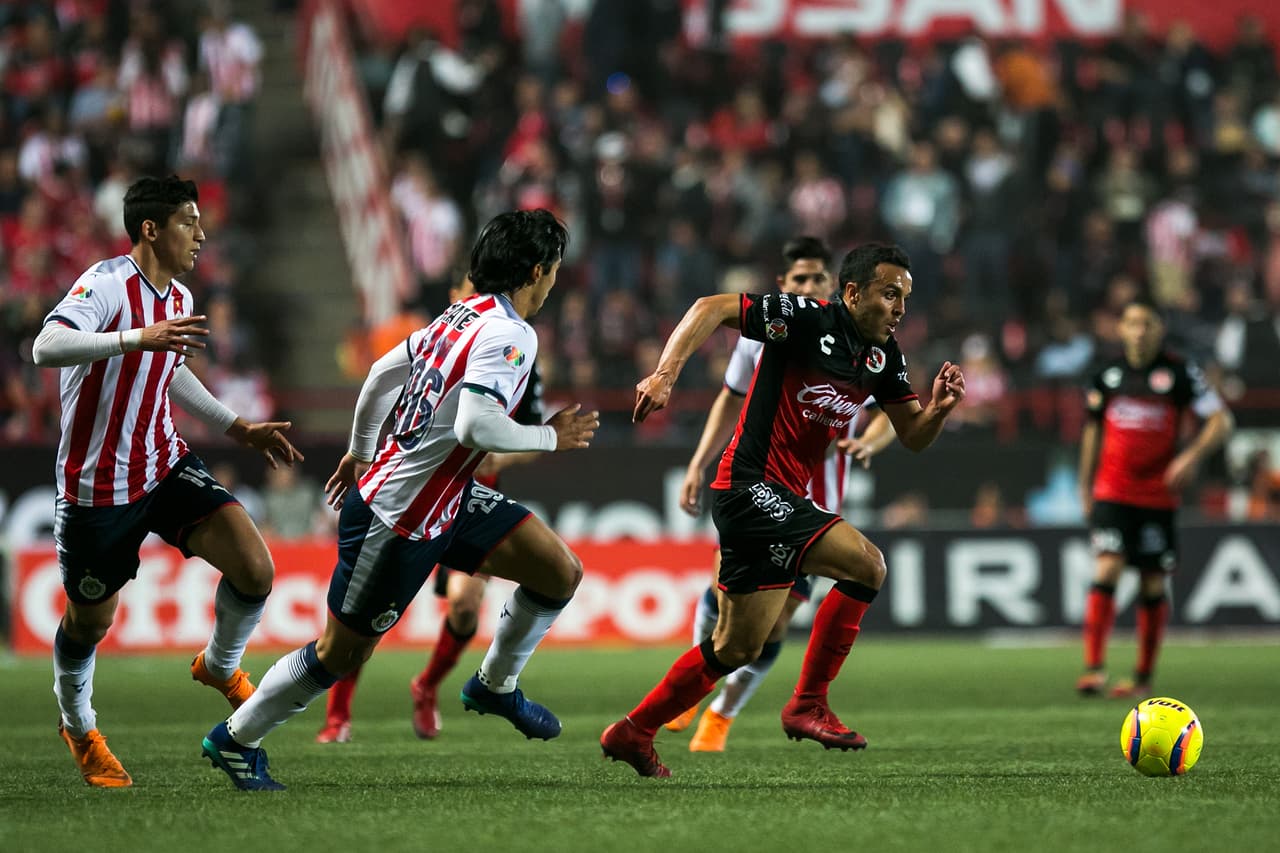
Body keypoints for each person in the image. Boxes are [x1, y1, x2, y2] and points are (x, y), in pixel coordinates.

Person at [201, 209, 598, 791]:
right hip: (399, 519)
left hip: (447, 498)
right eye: (554, 272)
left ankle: (494, 686)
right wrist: (551, 437)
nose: (554, 284)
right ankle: (236, 739)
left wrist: (362, 448)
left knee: (558, 572)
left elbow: (381, 373)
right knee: (340, 655)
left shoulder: (459, 315)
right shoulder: (512, 333)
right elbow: (476, 427)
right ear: (537, 270)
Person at [601, 243, 966, 778]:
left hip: (777, 498)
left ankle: (633, 731)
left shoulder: (882, 357)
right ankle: (807, 703)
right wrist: (665, 374)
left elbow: (911, 436)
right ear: (852, 292)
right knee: (868, 565)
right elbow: (709, 307)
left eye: (905, 297)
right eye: (890, 294)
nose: (900, 308)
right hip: (748, 484)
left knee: (736, 647)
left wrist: (937, 411)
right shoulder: (802, 319)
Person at [31, 175, 302, 788]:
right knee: (88, 625)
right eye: (188, 222)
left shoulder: (178, 297)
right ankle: (79, 727)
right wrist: (134, 337)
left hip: (163, 464)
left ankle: (219, 664)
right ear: (151, 229)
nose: (201, 235)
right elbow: (45, 347)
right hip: (98, 488)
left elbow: (170, 373)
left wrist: (240, 429)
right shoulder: (106, 284)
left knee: (256, 570)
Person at [666, 237, 897, 753]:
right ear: (784, 286)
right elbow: (730, 402)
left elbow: (892, 416)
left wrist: (869, 441)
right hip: (759, 486)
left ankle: (722, 714)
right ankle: (688, 693)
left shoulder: (866, 342)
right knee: (727, 601)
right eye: (801, 280)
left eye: (819, 279)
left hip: (818, 505)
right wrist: (697, 464)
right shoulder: (768, 334)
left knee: (774, 627)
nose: (810, 287)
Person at [316, 276, 549, 744]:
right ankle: (337, 715)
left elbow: (530, 432)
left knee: (465, 607)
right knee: (368, 622)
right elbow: (393, 395)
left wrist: (510, 448)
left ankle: (427, 687)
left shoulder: (516, 350)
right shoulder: (439, 343)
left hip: (467, 500)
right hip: (411, 497)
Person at [1076, 298, 1232, 698]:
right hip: (1113, 489)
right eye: (1131, 322)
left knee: (1151, 582)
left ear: (1159, 329)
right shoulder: (1107, 375)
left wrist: (1191, 456)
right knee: (1107, 567)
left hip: (1157, 496)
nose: (1139, 330)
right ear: (1121, 329)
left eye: (1147, 323)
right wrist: (1084, 484)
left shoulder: (1180, 373)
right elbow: (1092, 431)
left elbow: (1221, 420)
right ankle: (1094, 668)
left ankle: (1143, 676)